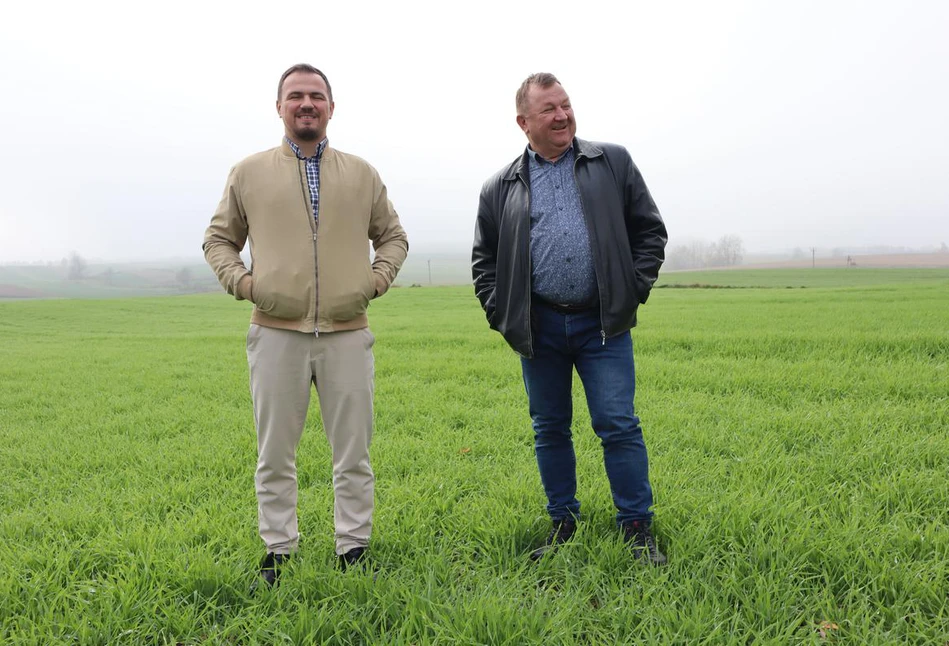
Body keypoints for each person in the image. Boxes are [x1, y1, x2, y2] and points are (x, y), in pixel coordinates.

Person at [204, 63, 408, 591]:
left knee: (354, 454)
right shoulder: (249, 172)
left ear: (331, 108)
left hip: (347, 332)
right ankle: (279, 550)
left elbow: (393, 237)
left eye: (316, 96)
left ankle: (354, 548)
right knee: (274, 453)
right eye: (295, 96)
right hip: (275, 334)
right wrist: (247, 286)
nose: (306, 104)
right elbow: (218, 240)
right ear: (280, 107)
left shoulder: (361, 174)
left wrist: (375, 281)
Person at [471, 73, 668, 565]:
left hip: (603, 324)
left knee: (618, 423)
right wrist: (504, 316)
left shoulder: (612, 162)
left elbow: (650, 232)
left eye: (565, 105)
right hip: (539, 330)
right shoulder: (500, 186)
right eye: (548, 110)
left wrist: (630, 291)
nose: (562, 116)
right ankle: (563, 521)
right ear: (524, 122)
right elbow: (485, 262)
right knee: (550, 428)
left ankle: (636, 527)